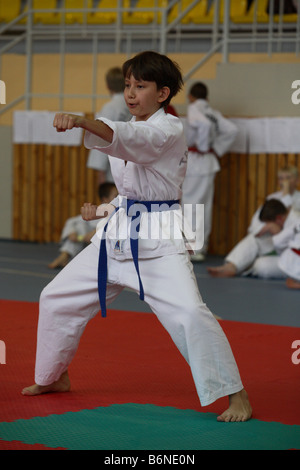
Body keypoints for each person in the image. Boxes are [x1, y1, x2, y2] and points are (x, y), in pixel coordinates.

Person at [22, 51, 252, 422]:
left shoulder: (168, 129)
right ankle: (53, 376)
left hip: (158, 241)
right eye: (128, 85)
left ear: (162, 93)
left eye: (140, 86)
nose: (131, 93)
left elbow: (129, 138)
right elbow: (131, 186)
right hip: (117, 233)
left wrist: (84, 121)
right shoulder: (129, 125)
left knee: (190, 313)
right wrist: (102, 210)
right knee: (55, 297)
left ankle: (236, 394)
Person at [208, 166, 300, 278]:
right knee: (253, 238)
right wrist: (268, 227)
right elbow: (255, 225)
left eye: (288, 178)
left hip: (291, 246)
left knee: (261, 265)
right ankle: (231, 266)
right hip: (273, 241)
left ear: (297, 180)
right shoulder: (272, 198)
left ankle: (247, 265)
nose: (284, 182)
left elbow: (291, 220)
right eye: (281, 178)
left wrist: (286, 195)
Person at [181, 82, 238, 261]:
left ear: (191, 96)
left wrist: (204, 147)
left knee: (191, 204)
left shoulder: (194, 109)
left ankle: (192, 248)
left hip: (197, 161)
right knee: (204, 206)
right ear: (206, 97)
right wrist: (216, 148)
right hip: (208, 162)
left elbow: (203, 125)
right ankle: (200, 247)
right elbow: (232, 130)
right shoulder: (213, 113)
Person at [48, 183, 118, 269]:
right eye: (116, 196)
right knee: (79, 225)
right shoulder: (99, 211)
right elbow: (72, 221)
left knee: (88, 230)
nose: (119, 199)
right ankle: (64, 255)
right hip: (84, 242)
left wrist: (96, 232)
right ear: (105, 200)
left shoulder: (120, 212)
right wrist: (72, 233)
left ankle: (64, 256)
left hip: (104, 248)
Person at [87, 67, 132, 184]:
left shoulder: (110, 108)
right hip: (131, 159)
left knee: (113, 199)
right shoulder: (132, 105)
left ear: (108, 86)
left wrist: (100, 169)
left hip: (112, 164)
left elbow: (101, 138)